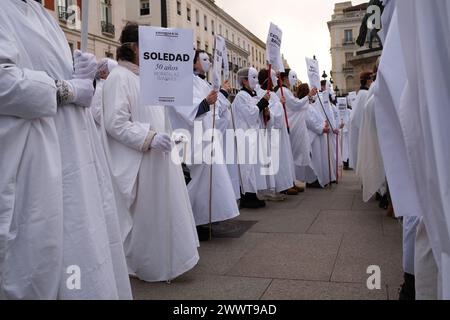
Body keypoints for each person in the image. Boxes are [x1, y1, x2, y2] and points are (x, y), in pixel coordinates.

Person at [0, 0, 132, 299]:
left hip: (71, 165)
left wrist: (82, 71)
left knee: (80, 251)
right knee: (37, 260)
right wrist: (67, 89)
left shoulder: (39, 13)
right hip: (32, 167)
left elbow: (49, 69)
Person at [101, 23, 199, 282]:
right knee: (146, 217)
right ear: (133, 47)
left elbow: (159, 114)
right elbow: (115, 122)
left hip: (159, 159)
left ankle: (169, 260)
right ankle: (145, 264)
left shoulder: (147, 78)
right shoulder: (119, 77)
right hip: (140, 162)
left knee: (164, 212)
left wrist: (168, 134)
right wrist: (149, 137)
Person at [169, 50, 239, 238]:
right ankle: (190, 220)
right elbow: (186, 107)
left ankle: (203, 218)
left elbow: (214, 106)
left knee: (207, 178)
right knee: (197, 178)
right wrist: (206, 102)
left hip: (205, 135)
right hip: (192, 137)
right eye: (203, 59)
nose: (207, 63)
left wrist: (218, 95)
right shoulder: (180, 81)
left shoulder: (200, 81)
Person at [231, 67, 271, 208]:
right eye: (252, 78)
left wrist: (264, 108)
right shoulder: (241, 96)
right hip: (244, 134)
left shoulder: (250, 96)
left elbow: (257, 114)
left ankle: (252, 193)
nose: (256, 81)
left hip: (251, 134)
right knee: (246, 166)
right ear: (244, 81)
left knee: (251, 165)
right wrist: (262, 102)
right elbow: (250, 114)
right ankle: (247, 196)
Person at [255, 69, 295, 201]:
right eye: (274, 77)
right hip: (272, 133)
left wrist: (280, 103)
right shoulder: (265, 93)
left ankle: (281, 186)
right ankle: (273, 188)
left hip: (277, 132)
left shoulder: (270, 93)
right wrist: (274, 109)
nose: (277, 80)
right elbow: (269, 113)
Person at [276, 70, 317, 192]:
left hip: (290, 125)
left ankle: (291, 181)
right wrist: (308, 96)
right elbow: (295, 105)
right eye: (291, 77)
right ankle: (288, 183)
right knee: (291, 154)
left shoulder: (286, 91)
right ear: (284, 78)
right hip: (288, 125)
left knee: (291, 154)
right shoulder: (282, 91)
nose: (293, 80)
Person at [302, 87, 331, 188]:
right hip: (313, 137)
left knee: (320, 158)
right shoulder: (304, 107)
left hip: (318, 136)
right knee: (315, 159)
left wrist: (324, 124)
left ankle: (321, 178)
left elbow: (318, 118)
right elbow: (310, 121)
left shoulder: (310, 106)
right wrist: (321, 129)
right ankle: (314, 179)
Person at [349, 71, 373, 170]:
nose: (373, 81)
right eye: (371, 79)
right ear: (368, 81)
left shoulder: (361, 93)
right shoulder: (366, 94)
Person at [90, 58, 118, 133]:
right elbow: (97, 112)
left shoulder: (105, 86)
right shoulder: (100, 88)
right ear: (104, 72)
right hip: (100, 131)